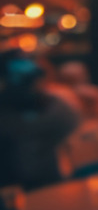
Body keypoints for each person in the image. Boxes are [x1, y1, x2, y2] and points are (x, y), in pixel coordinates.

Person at [0, 51, 80, 188]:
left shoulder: (50, 104)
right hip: (15, 188)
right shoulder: (50, 105)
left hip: (47, 184)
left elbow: (70, 121)